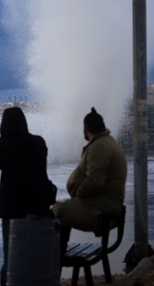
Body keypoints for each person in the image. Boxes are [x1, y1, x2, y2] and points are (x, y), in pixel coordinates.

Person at [0, 106, 56, 286]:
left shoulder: (6, 144)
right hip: (39, 205)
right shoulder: (38, 142)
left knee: (12, 255)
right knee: (35, 252)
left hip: (13, 208)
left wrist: (3, 139)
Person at [51, 107, 127, 253]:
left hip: (99, 207)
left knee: (56, 211)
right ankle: (59, 252)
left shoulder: (101, 146)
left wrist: (79, 194)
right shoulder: (107, 142)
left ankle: (56, 256)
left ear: (85, 128)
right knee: (63, 209)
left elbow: (95, 181)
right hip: (104, 203)